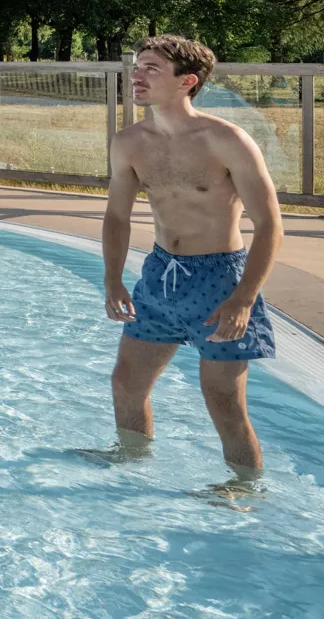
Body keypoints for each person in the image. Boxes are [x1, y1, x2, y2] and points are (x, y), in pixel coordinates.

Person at [102, 34, 282, 479]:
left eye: (151, 69)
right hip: (160, 274)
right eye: (137, 67)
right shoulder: (129, 142)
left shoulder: (227, 140)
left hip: (220, 280)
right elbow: (116, 217)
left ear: (188, 82)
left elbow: (270, 225)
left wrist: (243, 299)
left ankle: (244, 490)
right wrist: (112, 279)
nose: (137, 77)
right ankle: (133, 465)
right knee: (126, 385)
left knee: (223, 401)